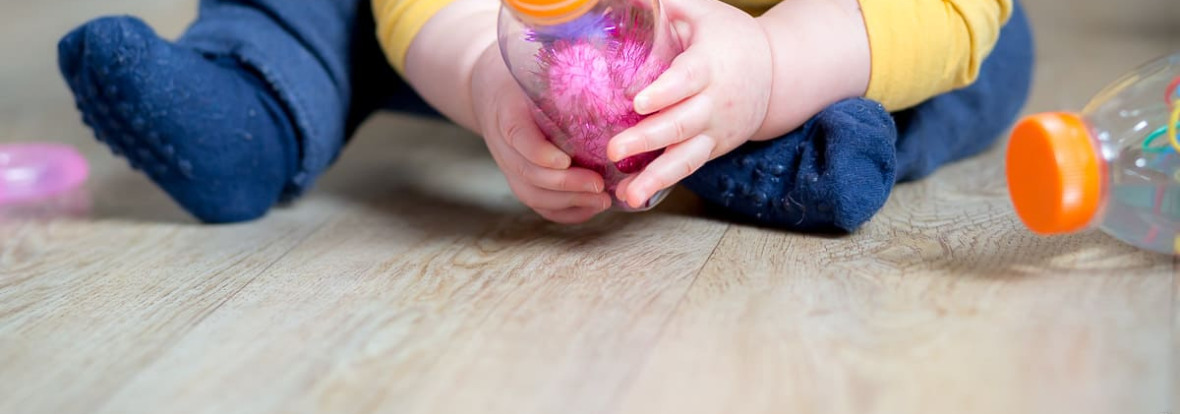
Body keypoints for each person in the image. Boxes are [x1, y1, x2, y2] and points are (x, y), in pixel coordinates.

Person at [57, 0, 1033, 231]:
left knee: (969, 54)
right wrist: (482, 69)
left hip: (797, 33)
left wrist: (779, 63)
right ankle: (256, 99)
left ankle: (780, 140)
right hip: (510, 36)